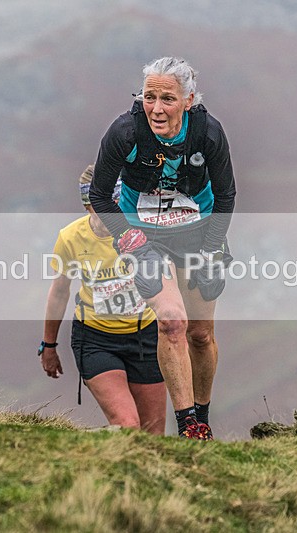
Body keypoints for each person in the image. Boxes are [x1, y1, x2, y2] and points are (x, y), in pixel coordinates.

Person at [89, 57, 236, 440]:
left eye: (167, 99)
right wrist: (130, 241)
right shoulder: (125, 132)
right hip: (144, 235)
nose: (156, 108)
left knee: (200, 334)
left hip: (198, 232)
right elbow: (100, 195)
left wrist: (212, 249)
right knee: (171, 322)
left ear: (188, 100)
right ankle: (189, 426)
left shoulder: (207, 133)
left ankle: (202, 415)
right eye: (149, 96)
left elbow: (226, 195)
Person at [38, 165, 166, 435]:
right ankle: (76, 446)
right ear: (88, 206)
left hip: (145, 337)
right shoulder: (71, 238)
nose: (112, 212)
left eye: (117, 204)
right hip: (96, 340)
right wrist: (49, 345)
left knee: (154, 437)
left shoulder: (142, 231)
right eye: (102, 205)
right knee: (129, 426)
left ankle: (111, 457)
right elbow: (59, 292)